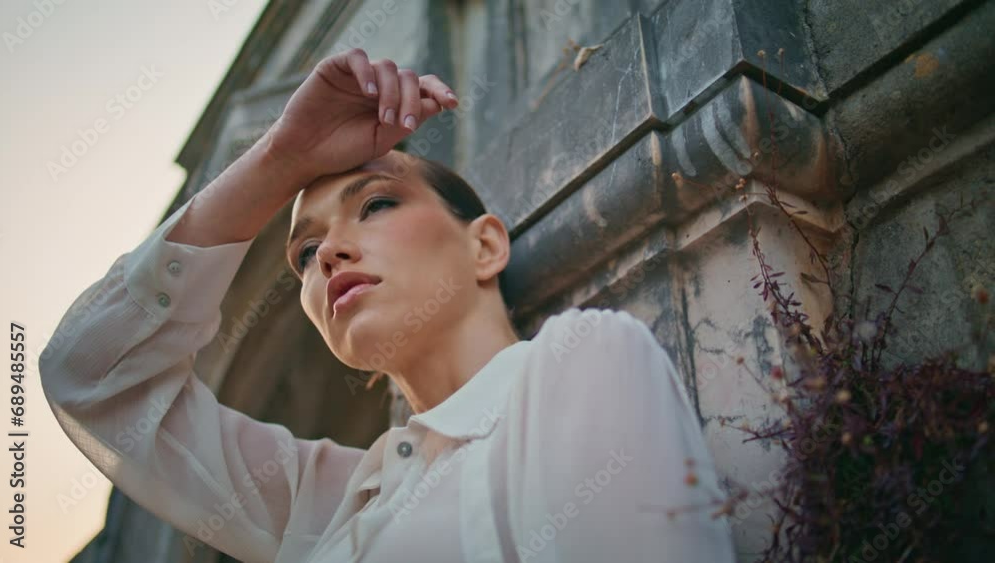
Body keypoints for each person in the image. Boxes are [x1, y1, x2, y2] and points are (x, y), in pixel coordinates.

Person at [39, 48, 736, 562]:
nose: (329, 256)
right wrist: (279, 158)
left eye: (374, 204)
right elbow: (94, 379)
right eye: (305, 254)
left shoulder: (576, 362)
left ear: (486, 245)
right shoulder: (320, 502)